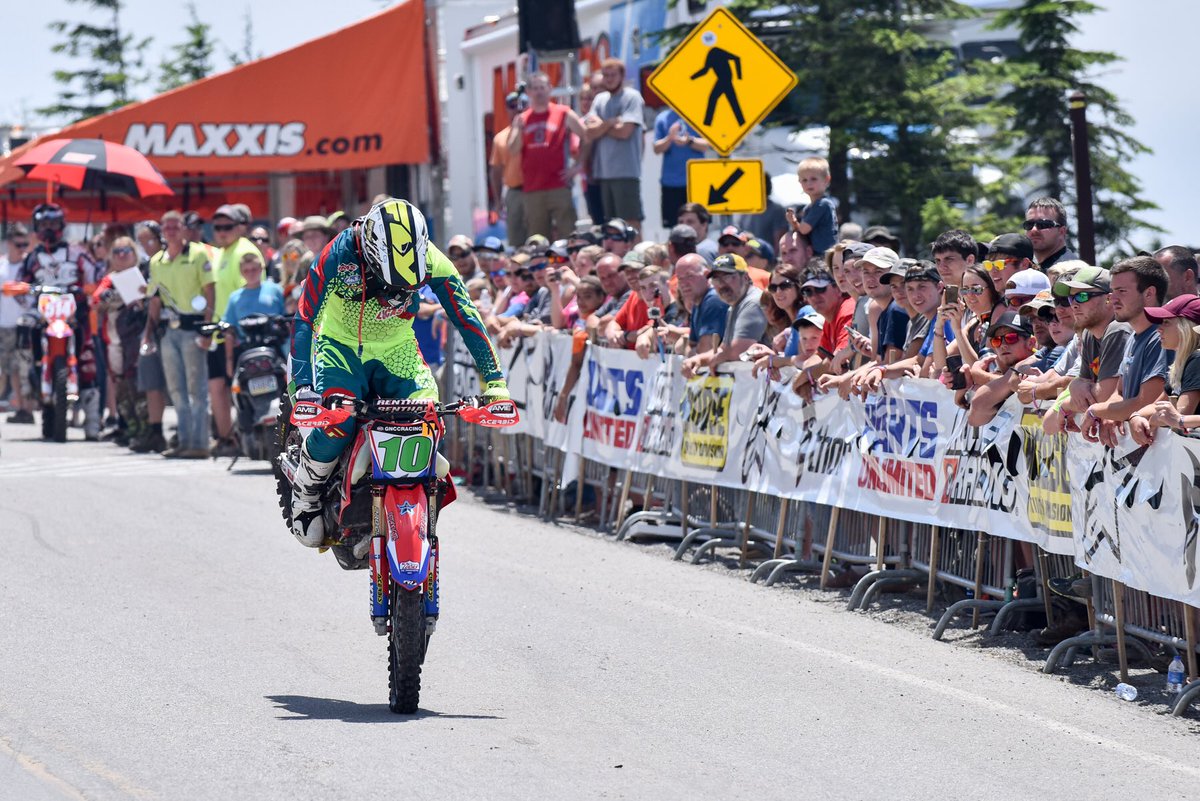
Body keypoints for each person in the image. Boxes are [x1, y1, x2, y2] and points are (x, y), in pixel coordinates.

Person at [289, 198, 509, 545]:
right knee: (340, 421)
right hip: (341, 347)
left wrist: (495, 383)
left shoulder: (434, 258)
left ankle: (403, 510)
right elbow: (304, 316)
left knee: (427, 416)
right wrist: (303, 386)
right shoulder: (338, 252)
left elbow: (466, 317)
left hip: (397, 349)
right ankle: (308, 488)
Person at [145, 210, 215, 459]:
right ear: (162, 232)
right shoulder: (157, 261)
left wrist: (207, 328)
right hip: (168, 331)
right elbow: (154, 300)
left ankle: (200, 442)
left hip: (192, 328)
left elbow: (210, 292)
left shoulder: (197, 254)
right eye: (167, 227)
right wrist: (148, 333)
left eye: (176, 226)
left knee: (197, 389)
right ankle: (185, 441)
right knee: (176, 391)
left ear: (184, 229)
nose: (171, 231)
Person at [1084, 255, 1168, 443]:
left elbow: (1146, 402)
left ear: (1149, 293)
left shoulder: (1162, 337)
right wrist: (1108, 413)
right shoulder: (1133, 336)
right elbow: (1119, 393)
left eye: (1121, 291)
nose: (1112, 299)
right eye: (1112, 291)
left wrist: (1096, 410)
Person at [209, 204, 261, 456]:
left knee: (237, 389)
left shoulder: (245, 250)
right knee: (217, 386)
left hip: (238, 333)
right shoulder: (220, 252)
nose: (221, 232)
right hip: (219, 330)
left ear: (240, 227)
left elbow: (249, 292)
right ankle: (226, 439)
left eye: (227, 227)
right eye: (217, 227)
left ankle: (246, 438)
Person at [509, 72, 586, 241]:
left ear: (550, 89)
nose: (539, 92)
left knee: (569, 235)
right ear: (528, 92)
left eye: (542, 87)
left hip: (559, 185)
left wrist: (578, 166)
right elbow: (513, 150)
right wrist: (518, 129)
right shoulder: (522, 118)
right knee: (538, 239)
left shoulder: (563, 113)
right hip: (533, 189)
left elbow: (585, 136)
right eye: (535, 88)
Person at [583, 58, 645, 233]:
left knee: (630, 223)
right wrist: (611, 123)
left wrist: (601, 127)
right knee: (610, 226)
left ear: (622, 76)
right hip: (603, 173)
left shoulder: (631, 97)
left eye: (613, 75)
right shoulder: (599, 100)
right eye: (605, 75)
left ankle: (636, 257)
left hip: (625, 172)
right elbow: (589, 131)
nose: (609, 79)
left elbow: (625, 132)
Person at [681, 254, 768, 377]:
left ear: (745, 277)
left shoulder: (752, 303)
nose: (721, 284)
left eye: (727, 277)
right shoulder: (735, 305)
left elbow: (739, 351)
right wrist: (699, 360)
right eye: (716, 279)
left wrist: (716, 357)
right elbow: (724, 349)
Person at [1134, 295, 1200, 442]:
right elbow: (1157, 406)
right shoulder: (1184, 362)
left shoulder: (1197, 359)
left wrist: (1152, 419)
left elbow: (1178, 415)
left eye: (1166, 322)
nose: (1159, 329)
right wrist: (1136, 416)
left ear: (1186, 326)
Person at [966, 311, 1039, 427]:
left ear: (1031, 343)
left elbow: (978, 404)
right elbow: (974, 418)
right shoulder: (1002, 372)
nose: (1003, 345)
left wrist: (982, 376)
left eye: (1011, 338)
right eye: (997, 340)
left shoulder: (1037, 364)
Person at [653, 106, 707, 229]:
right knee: (674, 227)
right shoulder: (662, 118)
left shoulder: (699, 114)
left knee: (701, 226)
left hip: (696, 182)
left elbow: (707, 145)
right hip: (671, 183)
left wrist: (689, 141)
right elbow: (656, 148)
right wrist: (670, 138)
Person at [1, 225, 34, 423]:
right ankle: (20, 406)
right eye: (18, 244)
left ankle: (29, 408)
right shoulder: (2, 267)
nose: (22, 248)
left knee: (25, 367)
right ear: (9, 244)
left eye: (25, 244)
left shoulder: (28, 266)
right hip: (4, 324)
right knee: (9, 368)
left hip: (25, 323)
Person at [491, 90, 527, 247]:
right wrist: (498, 201)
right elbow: (495, 171)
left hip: (538, 190)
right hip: (514, 191)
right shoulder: (500, 138)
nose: (518, 110)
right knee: (517, 241)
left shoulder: (535, 131)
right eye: (513, 106)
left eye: (522, 106)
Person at [786, 157, 837, 256]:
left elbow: (804, 230)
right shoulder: (809, 207)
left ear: (826, 180)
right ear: (799, 182)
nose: (809, 183)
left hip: (825, 256)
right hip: (816, 255)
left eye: (813, 179)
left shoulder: (822, 204)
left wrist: (793, 221)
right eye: (804, 180)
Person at [1024, 197, 1078, 270]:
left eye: (1043, 224)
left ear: (1062, 231)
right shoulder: (1028, 269)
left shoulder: (1071, 271)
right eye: (1029, 224)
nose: (1034, 230)